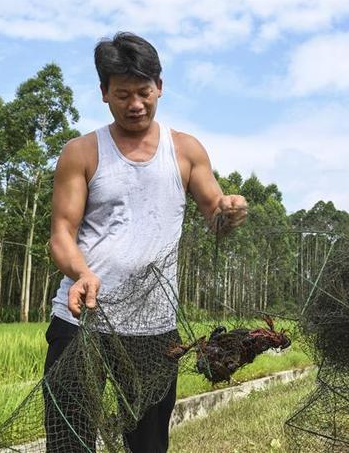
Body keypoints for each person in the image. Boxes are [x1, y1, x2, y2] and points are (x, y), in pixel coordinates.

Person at [45, 32, 247, 452]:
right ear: (104, 93)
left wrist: (228, 211)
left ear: (160, 86)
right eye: (122, 94)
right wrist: (81, 273)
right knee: (70, 441)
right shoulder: (81, 152)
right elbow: (61, 234)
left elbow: (215, 215)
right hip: (83, 319)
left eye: (144, 91)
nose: (135, 104)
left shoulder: (186, 150)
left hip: (154, 329)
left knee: (149, 443)